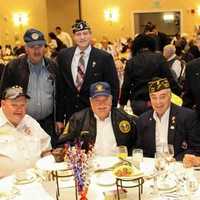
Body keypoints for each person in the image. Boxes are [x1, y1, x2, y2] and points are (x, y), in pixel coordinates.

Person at [2, 28, 60, 147]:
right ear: (26, 48)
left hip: (48, 124)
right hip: (22, 123)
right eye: (32, 46)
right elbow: (3, 94)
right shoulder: (13, 67)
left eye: (40, 46)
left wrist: (58, 119)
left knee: (48, 156)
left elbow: (59, 95)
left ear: (45, 47)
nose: (36, 50)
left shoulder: (53, 66)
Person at [56, 19, 119, 126]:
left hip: (96, 114)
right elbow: (60, 89)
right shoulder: (63, 56)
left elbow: (114, 87)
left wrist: (110, 114)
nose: (82, 37)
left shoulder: (104, 58)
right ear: (73, 36)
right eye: (78, 34)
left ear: (90, 35)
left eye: (85, 33)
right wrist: (59, 118)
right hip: (71, 115)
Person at [58, 82, 136, 156]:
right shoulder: (78, 120)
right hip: (89, 167)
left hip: (119, 166)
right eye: (97, 100)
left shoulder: (125, 118)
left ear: (111, 99)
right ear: (91, 101)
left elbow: (137, 145)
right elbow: (63, 144)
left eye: (105, 99)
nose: (101, 104)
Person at [136, 78, 200, 160]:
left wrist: (176, 160)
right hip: (153, 167)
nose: (158, 102)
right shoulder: (143, 120)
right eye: (154, 97)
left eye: (162, 97)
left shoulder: (187, 116)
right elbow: (140, 149)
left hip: (178, 167)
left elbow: (196, 148)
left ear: (170, 96)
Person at [119, 34, 181, 116]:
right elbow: (169, 80)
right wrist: (178, 93)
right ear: (152, 44)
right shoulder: (159, 58)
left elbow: (126, 86)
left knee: (142, 126)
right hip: (159, 101)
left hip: (139, 104)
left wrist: (122, 104)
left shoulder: (131, 62)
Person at [0, 86, 50, 174]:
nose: (19, 109)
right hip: (6, 185)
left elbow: (46, 150)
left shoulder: (31, 122)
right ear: (3, 104)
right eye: (14, 105)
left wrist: (47, 171)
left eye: (22, 105)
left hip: (37, 180)